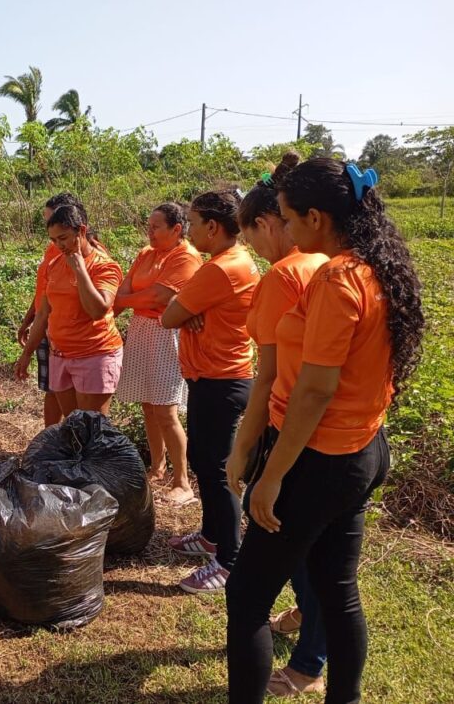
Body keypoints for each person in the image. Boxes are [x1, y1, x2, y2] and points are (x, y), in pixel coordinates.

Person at [225, 158, 424, 704]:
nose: (284, 230)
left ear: (316, 217)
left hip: (319, 457)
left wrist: (273, 478)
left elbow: (315, 391)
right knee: (337, 590)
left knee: (246, 597)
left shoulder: (338, 278)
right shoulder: (376, 266)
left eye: (287, 219)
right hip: (363, 449)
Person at [226, 153, 330, 697]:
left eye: (257, 235)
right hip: (333, 435)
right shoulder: (328, 264)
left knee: (277, 542)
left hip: (290, 428)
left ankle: (310, 659)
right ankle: (312, 630)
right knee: (319, 549)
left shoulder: (283, 276)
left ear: (268, 223)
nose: (258, 249)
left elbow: (265, 380)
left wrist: (241, 452)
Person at [161, 189, 259, 594]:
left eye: (194, 222)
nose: (190, 230)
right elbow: (180, 310)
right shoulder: (225, 262)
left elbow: (169, 315)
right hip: (212, 376)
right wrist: (189, 311)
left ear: (213, 228)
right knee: (204, 460)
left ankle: (230, 561)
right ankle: (211, 536)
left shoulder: (220, 269)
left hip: (222, 380)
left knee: (218, 471)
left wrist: (187, 311)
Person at [115, 202, 202, 504]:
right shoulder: (145, 254)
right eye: (148, 226)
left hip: (168, 335)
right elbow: (123, 291)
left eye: (155, 227)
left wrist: (131, 300)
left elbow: (160, 296)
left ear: (176, 229)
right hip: (142, 331)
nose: (148, 232)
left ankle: (182, 481)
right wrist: (137, 301)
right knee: (149, 405)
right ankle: (157, 468)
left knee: (166, 409)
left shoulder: (186, 256)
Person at [14, 204, 124, 417]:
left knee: (92, 430)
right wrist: (27, 353)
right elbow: (44, 313)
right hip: (60, 355)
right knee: (72, 425)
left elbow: (98, 310)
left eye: (63, 238)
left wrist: (80, 270)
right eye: (53, 240)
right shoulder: (54, 265)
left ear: (81, 231)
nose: (58, 245)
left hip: (95, 355)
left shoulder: (104, 266)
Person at [17, 192, 94, 427]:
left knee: (84, 412)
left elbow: (101, 305)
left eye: (52, 218)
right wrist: (28, 319)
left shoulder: (92, 256)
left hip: (79, 343)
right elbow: (44, 294)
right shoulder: (55, 253)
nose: (56, 241)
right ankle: (51, 440)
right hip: (49, 328)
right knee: (52, 388)